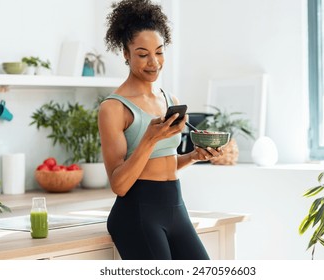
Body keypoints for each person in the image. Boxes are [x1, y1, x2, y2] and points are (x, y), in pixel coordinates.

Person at [98, 0, 224, 260]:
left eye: (159, 51)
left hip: (176, 208)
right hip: (136, 213)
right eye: (143, 54)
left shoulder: (170, 99)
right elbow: (119, 184)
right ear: (125, 53)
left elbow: (161, 163)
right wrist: (148, 139)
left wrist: (193, 157)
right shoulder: (113, 108)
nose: (153, 62)